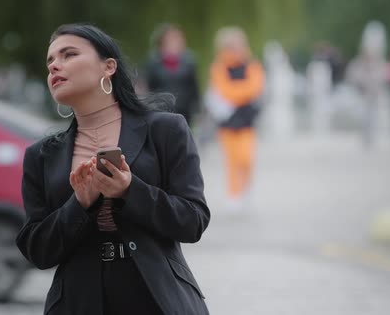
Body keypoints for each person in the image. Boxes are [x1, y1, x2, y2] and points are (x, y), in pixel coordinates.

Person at [15, 24, 210, 315]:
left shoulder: (166, 130)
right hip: (78, 302)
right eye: (50, 61)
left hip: (155, 297)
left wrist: (130, 191)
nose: (55, 65)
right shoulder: (41, 156)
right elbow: (38, 251)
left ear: (108, 67)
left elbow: (193, 220)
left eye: (69, 54)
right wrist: (79, 203)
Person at [208, 26, 264, 210]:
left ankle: (246, 188)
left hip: (247, 120)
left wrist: (235, 92)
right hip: (228, 122)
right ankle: (234, 194)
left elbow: (255, 87)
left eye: (240, 45)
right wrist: (243, 92)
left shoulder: (252, 65)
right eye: (233, 46)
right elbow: (224, 90)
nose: (237, 49)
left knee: (246, 158)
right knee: (231, 160)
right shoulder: (218, 67)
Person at [145, 23, 200, 125]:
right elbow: (150, 88)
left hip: (184, 111)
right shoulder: (153, 62)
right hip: (161, 110)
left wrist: (197, 110)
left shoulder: (189, 61)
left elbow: (194, 88)